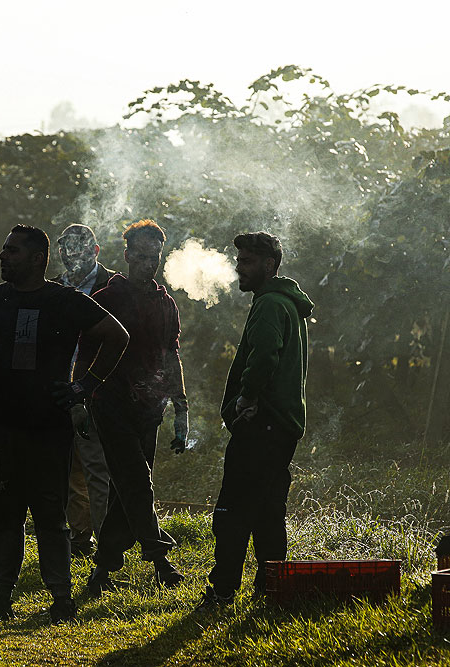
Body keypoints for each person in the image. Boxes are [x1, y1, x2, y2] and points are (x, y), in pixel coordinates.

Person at [0, 224, 128, 625]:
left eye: (12, 251)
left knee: (50, 513)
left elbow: (117, 336)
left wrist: (85, 385)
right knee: (4, 513)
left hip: (49, 427)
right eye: (3, 249)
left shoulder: (63, 301)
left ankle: (62, 601)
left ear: (36, 258)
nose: (3, 256)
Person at [197, 231, 313, 609]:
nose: (238, 268)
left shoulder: (268, 305)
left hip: (262, 422)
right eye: (239, 260)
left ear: (269, 265)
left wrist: (247, 397)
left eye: (247, 262)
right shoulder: (287, 304)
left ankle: (223, 590)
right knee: (268, 511)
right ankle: (272, 589)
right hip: (282, 426)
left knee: (233, 509)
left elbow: (264, 356)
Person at [82, 220, 189, 594]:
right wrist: (82, 399)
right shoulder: (106, 300)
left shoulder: (165, 303)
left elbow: (171, 354)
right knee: (137, 481)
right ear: (127, 255)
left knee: (124, 489)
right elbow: (85, 354)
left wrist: (182, 409)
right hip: (110, 405)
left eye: (154, 257)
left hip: (149, 408)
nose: (148, 264)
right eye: (141, 257)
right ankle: (161, 560)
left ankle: (102, 571)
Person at [53, 224, 113, 558]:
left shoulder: (111, 286)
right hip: (62, 385)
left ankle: (107, 546)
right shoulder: (55, 288)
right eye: (66, 249)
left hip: (98, 386)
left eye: (79, 248)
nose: (71, 254)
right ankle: (79, 535)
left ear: (95, 250)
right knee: (68, 464)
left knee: (97, 467)